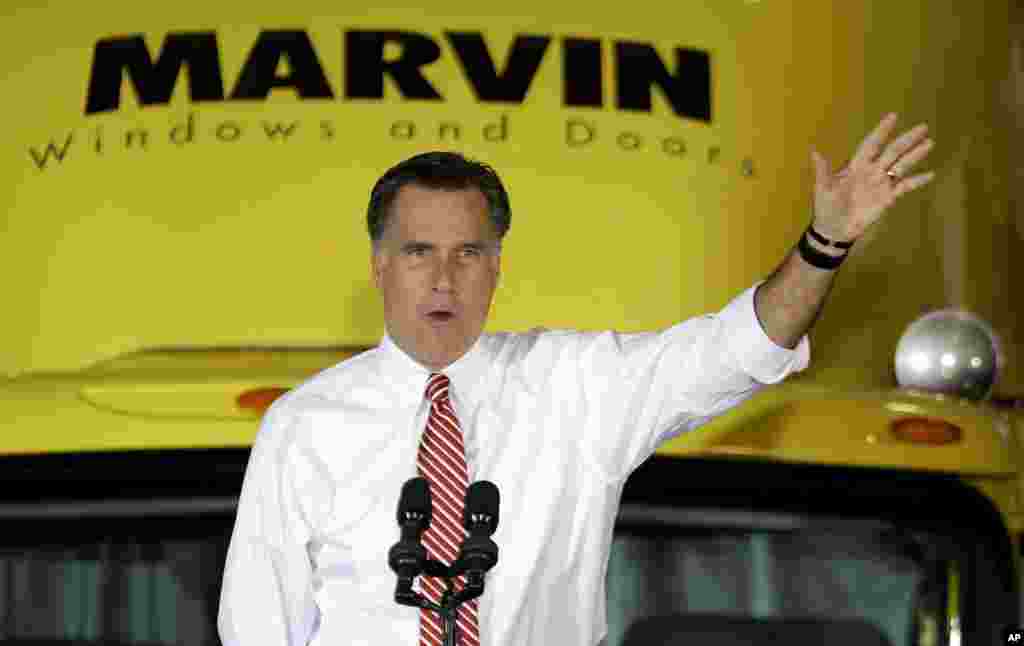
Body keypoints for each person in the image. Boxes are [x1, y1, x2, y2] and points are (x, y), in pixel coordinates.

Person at [217, 113, 934, 646]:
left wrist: (825, 242)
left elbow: (737, 348)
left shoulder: (577, 387)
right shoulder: (305, 425)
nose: (442, 279)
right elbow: (257, 632)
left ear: (497, 267)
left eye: (469, 253)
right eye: (417, 252)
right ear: (378, 266)